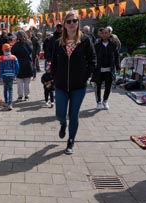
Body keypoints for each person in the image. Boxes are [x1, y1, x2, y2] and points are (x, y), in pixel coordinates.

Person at [51, 11, 96, 155]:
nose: (72, 24)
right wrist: (55, 77)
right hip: (61, 85)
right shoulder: (58, 42)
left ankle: (71, 141)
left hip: (79, 86)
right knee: (60, 113)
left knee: (74, 114)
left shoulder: (85, 40)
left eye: (74, 21)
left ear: (78, 23)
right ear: (64, 24)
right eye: (69, 21)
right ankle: (63, 124)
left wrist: (86, 76)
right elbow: (54, 63)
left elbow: (92, 60)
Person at [92, 27, 120, 110]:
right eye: (103, 33)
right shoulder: (97, 44)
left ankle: (105, 101)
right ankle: (99, 102)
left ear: (110, 34)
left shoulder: (113, 44)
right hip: (99, 69)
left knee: (108, 86)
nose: (104, 34)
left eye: (106, 33)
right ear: (100, 34)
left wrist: (118, 66)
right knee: (98, 86)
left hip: (109, 69)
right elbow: (93, 56)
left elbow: (117, 56)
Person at [11, 30, 33, 102]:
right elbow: (31, 51)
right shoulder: (28, 43)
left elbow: (12, 55)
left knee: (19, 81)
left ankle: (20, 96)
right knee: (27, 81)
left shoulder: (15, 45)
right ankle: (27, 95)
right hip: (27, 64)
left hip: (18, 64)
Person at [0, 43, 19, 110]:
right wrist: (16, 73)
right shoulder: (14, 57)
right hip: (11, 75)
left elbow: (0, 68)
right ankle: (10, 104)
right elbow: (17, 66)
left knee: (5, 88)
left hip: (4, 75)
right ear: (10, 49)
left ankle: (6, 102)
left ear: (3, 50)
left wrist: (0, 76)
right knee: (10, 89)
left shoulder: (1, 58)